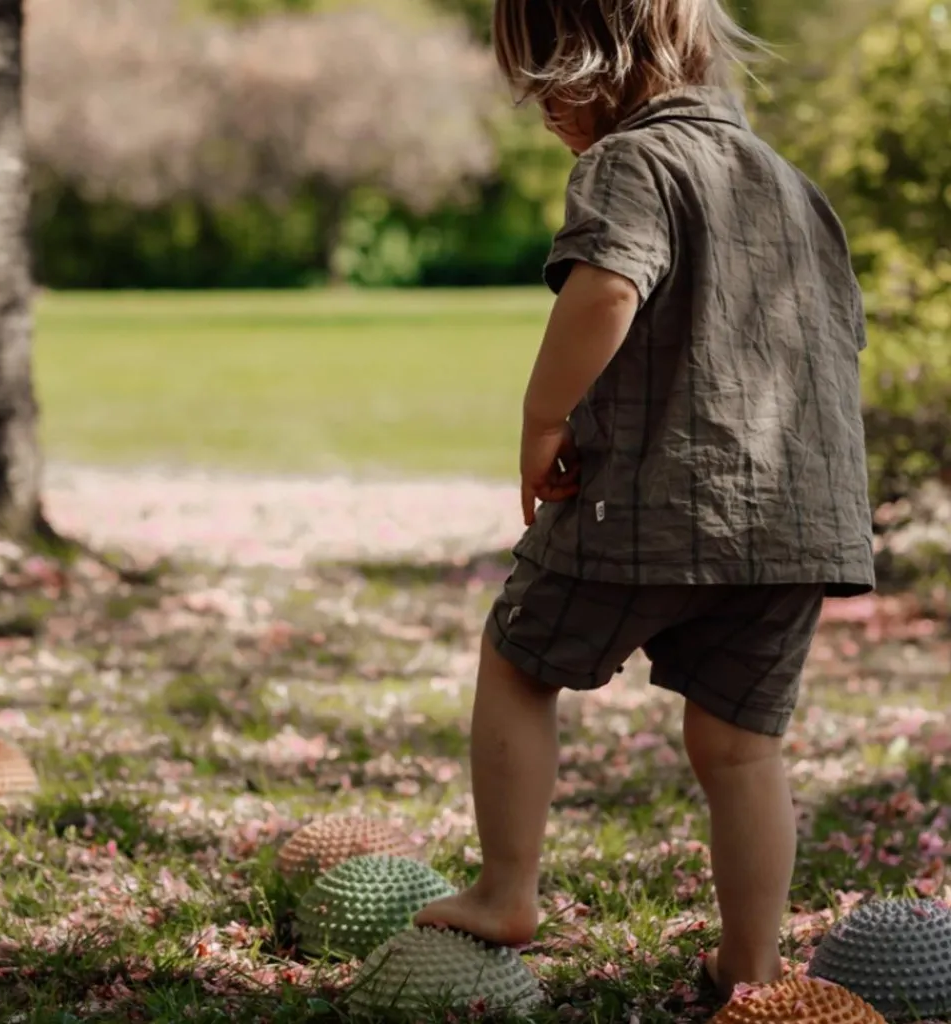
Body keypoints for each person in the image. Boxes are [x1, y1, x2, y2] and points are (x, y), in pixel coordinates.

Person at [413, 0, 875, 998]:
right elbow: (837, 346)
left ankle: (506, 888)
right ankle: (749, 971)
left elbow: (608, 288)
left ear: (598, 66)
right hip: (797, 525)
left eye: (547, 91)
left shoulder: (631, 165)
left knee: (520, 656)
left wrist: (545, 418)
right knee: (742, 746)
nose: (543, 114)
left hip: (658, 506)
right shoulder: (797, 192)